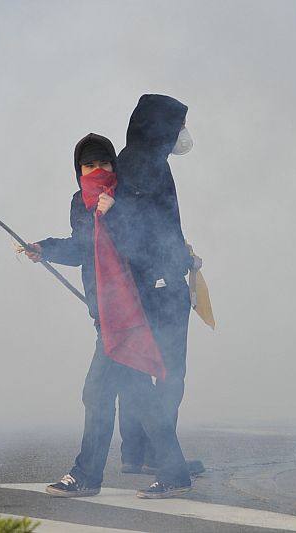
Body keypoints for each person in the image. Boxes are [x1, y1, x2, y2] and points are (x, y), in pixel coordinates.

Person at [25, 133, 191, 499]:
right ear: (78, 171)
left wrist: (113, 214)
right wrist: (44, 249)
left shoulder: (129, 195)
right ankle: (175, 470)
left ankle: (86, 475)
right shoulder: (79, 202)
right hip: (106, 311)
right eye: (89, 165)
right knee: (138, 393)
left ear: (115, 166)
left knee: (97, 392)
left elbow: (145, 244)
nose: (97, 170)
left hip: (131, 311)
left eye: (104, 164)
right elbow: (84, 246)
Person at [113, 94, 203, 476]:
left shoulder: (130, 159)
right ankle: (160, 454)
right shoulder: (149, 164)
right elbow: (147, 232)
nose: (183, 133)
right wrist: (178, 262)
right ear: (161, 127)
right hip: (160, 287)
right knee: (169, 372)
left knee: (138, 366)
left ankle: (135, 452)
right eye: (179, 125)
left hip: (139, 284)